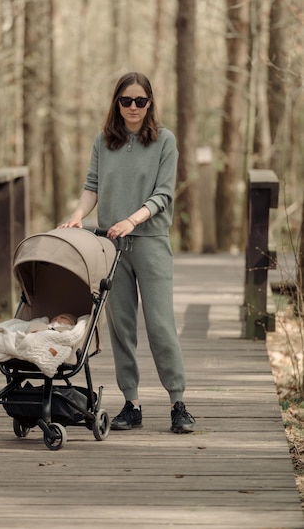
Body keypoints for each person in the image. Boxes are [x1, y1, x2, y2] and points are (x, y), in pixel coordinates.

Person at [60, 71, 195, 433]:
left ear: (150, 104)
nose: (133, 107)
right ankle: (131, 404)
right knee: (121, 327)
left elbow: (163, 195)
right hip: (110, 247)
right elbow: (92, 186)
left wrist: (132, 220)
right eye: (126, 101)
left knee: (161, 326)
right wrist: (76, 217)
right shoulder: (103, 142)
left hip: (150, 244)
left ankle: (177, 403)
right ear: (116, 103)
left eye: (140, 101)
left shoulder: (164, 142)